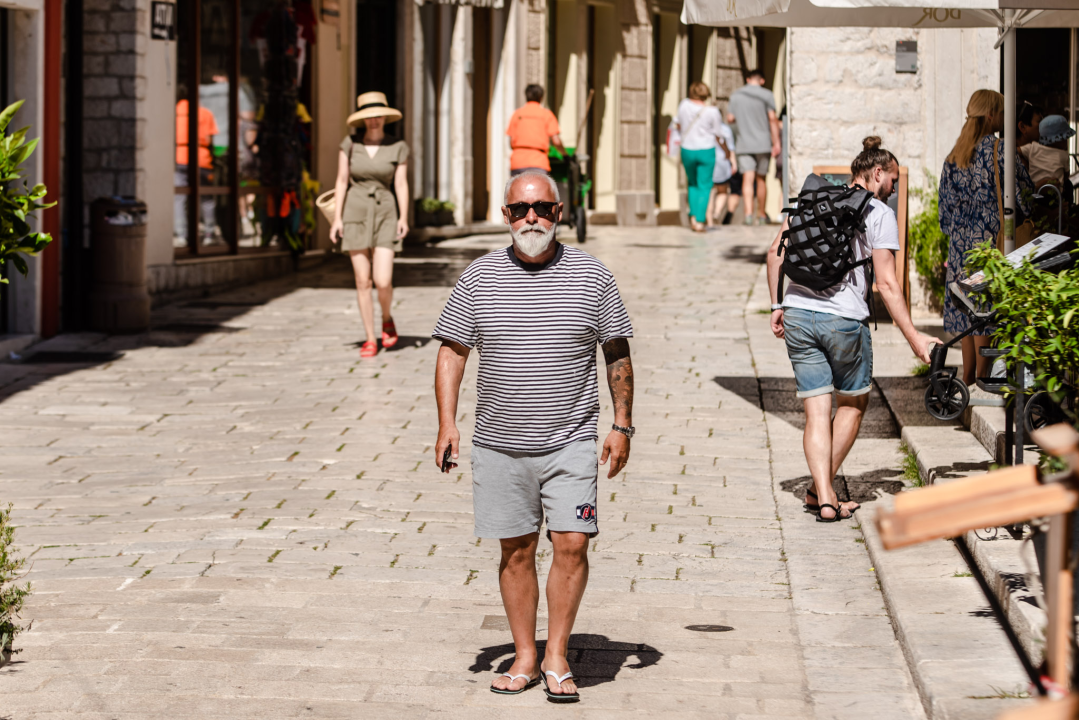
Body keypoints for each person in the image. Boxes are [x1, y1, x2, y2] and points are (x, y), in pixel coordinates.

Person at [432, 172, 635, 702]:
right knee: (516, 551)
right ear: (505, 215)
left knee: (572, 544)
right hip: (499, 442)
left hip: (570, 441)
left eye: (542, 209)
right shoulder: (477, 278)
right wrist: (447, 423)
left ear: (559, 212)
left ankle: (557, 654)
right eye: (521, 210)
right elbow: (453, 351)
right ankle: (524, 655)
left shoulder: (593, 277)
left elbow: (616, 352)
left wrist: (622, 424)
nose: (532, 219)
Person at [767, 137, 936, 522]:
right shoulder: (878, 212)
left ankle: (822, 494)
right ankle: (821, 493)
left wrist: (778, 305)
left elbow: (774, 252)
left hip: (797, 311)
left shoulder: (813, 201)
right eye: (892, 180)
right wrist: (915, 339)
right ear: (877, 173)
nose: (893, 189)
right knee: (853, 404)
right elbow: (888, 285)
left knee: (815, 412)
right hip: (843, 320)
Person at [939, 89, 1034, 385]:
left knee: (969, 318)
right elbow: (1025, 199)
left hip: (958, 252)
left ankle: (967, 382)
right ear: (992, 115)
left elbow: (944, 217)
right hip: (988, 251)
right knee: (984, 316)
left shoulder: (953, 158)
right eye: (1002, 112)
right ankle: (981, 383)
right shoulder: (1001, 150)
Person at [329, 91, 410, 359]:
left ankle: (387, 317)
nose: (374, 121)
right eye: (369, 117)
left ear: (385, 117)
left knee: (383, 280)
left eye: (378, 116)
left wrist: (403, 217)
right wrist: (337, 218)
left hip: (386, 211)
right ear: (362, 120)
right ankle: (369, 337)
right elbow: (341, 181)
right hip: (355, 210)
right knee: (362, 281)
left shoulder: (397, 145)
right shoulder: (349, 144)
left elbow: (400, 183)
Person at [726, 69, 781, 226]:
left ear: (748, 79)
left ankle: (748, 215)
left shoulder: (736, 95)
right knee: (761, 179)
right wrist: (776, 142)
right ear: (762, 80)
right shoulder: (767, 95)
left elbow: (730, 118)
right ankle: (761, 214)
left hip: (743, 143)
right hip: (763, 143)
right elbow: (772, 119)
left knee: (747, 179)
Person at [674, 82, 725, 232]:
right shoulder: (712, 111)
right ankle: (700, 221)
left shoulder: (683, 105)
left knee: (692, 183)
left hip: (687, 149)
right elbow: (718, 134)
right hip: (706, 150)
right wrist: (727, 151)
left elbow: (678, 124)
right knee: (705, 185)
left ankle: (693, 217)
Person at [174, 88, 220, 246]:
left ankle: (181, 234)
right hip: (202, 158)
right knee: (206, 198)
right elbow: (209, 138)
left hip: (180, 157)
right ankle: (209, 233)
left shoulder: (175, 112)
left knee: (179, 198)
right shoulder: (205, 113)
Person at [506, 85, 566, 176]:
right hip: (538, 163)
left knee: (518, 189)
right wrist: (565, 156)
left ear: (526, 96)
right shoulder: (546, 115)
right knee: (539, 189)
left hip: (518, 163)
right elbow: (556, 141)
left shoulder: (517, 114)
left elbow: (511, 142)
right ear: (541, 98)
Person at [1019, 114, 1075, 190]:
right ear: (1058, 140)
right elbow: (1066, 175)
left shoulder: (1032, 147)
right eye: (1065, 139)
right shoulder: (1063, 155)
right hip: (1056, 192)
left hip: (1035, 193)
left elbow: (1015, 151)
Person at [706, 118, 737, 227]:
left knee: (709, 192)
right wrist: (733, 163)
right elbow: (731, 148)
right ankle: (717, 212)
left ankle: (709, 220)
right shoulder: (725, 129)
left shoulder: (706, 128)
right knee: (722, 191)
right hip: (722, 162)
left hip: (707, 160)